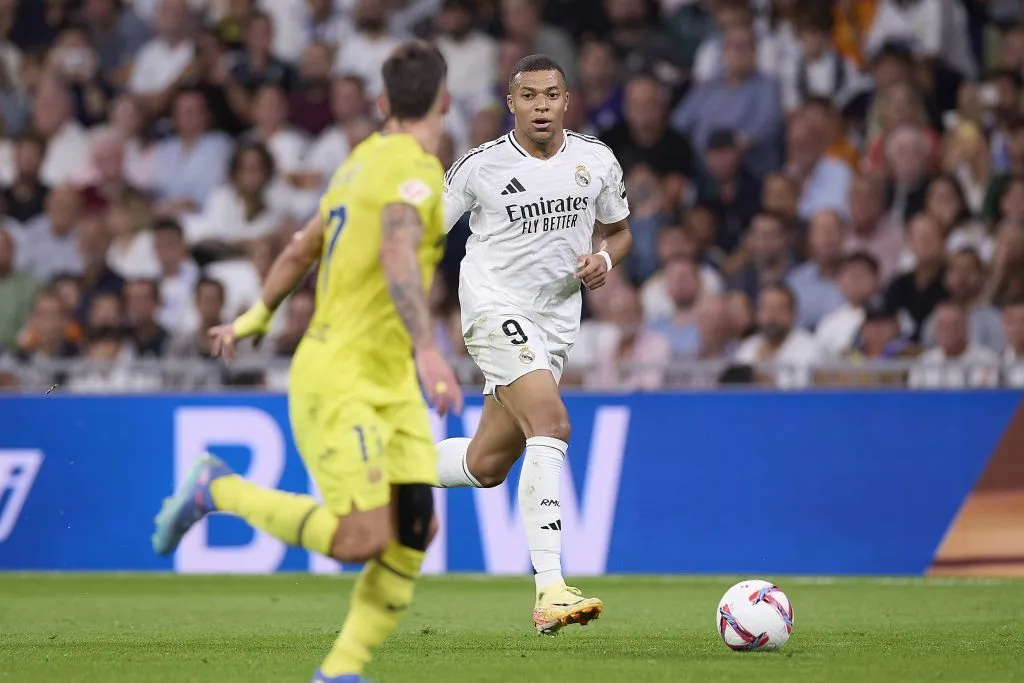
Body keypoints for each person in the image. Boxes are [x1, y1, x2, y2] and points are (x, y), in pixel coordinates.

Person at [150, 42, 461, 683]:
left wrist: (253, 319)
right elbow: (399, 254)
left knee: (414, 533)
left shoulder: (354, 165)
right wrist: (431, 347)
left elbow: (299, 249)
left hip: (389, 380)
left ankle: (339, 673)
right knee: (360, 540)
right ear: (445, 101)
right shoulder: (417, 169)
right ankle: (217, 487)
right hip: (342, 373)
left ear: (380, 103)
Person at [435, 54, 632, 634]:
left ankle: (380, 466)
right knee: (552, 424)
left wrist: (602, 260)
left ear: (566, 102)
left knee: (486, 464)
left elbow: (619, 232)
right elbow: (421, 239)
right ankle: (550, 589)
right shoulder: (479, 168)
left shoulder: (595, 161)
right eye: (529, 96)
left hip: (553, 325)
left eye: (551, 95)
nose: (541, 106)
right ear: (511, 103)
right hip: (495, 310)